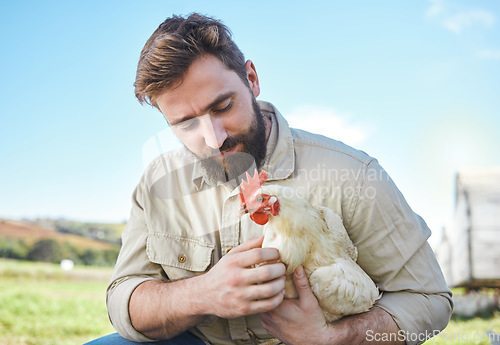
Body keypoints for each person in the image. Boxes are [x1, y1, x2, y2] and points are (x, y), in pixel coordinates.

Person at [87, 13, 452, 345]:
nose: (213, 139)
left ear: (252, 78)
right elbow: (123, 297)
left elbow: (430, 301)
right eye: (186, 123)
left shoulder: (354, 175)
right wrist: (201, 294)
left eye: (222, 107)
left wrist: (335, 338)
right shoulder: (157, 182)